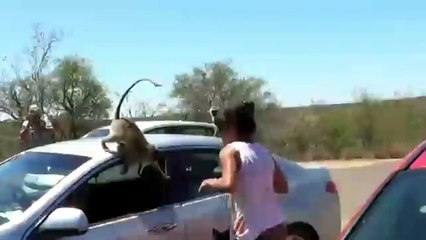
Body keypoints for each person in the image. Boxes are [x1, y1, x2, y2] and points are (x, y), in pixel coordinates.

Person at [199, 101, 289, 240]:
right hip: (276, 227)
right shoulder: (264, 152)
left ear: (230, 128)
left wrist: (209, 182)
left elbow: (229, 184)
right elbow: (282, 186)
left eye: (221, 130)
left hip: (253, 231)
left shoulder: (229, 151)